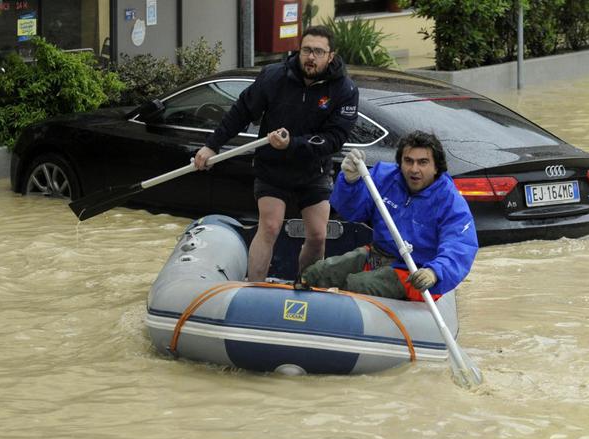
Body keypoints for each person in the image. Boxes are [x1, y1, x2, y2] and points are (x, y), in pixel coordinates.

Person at [194, 26, 359, 282]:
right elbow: (241, 111)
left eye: (318, 51)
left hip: (313, 169)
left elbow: (334, 139)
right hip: (273, 167)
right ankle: (253, 289)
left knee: (317, 235)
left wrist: (292, 143)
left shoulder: (344, 90)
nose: (311, 57)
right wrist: (212, 145)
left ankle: (306, 286)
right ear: (298, 50)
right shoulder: (274, 76)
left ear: (331, 55)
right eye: (306, 50)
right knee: (269, 226)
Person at [302, 131, 479, 301]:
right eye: (408, 161)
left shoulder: (450, 201)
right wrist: (350, 182)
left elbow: (460, 247)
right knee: (316, 274)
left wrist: (434, 272)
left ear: (436, 168)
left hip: (415, 271)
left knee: (356, 285)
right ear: (400, 162)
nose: (414, 169)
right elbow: (352, 212)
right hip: (377, 255)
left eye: (423, 162)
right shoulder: (383, 176)